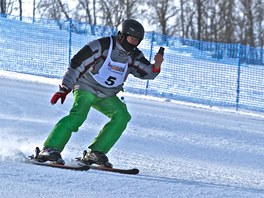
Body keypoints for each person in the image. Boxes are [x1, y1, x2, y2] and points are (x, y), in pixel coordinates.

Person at [36, 19, 164, 167]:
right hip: (86, 87)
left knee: (122, 116)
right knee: (79, 115)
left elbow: (146, 72)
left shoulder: (134, 55)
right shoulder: (102, 46)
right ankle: (50, 148)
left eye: (137, 40)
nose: (134, 43)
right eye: (131, 38)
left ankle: (95, 153)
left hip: (107, 94)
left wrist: (157, 65)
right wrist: (65, 87)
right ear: (122, 35)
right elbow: (77, 64)